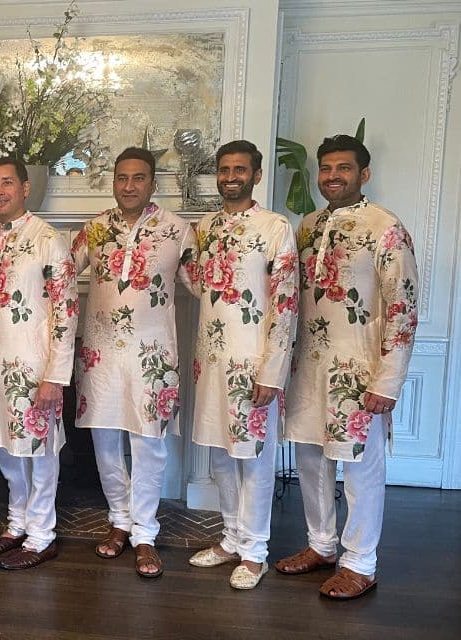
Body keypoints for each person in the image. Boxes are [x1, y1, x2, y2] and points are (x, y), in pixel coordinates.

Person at [276, 135, 418, 600]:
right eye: (326, 168)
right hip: (308, 368)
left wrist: (389, 379)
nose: (332, 176)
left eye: (344, 168)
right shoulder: (307, 226)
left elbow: (403, 306)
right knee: (311, 460)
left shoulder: (385, 227)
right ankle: (321, 545)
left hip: (359, 370)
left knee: (360, 468)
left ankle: (361, 562)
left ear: (364, 174)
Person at [71, 147, 196, 578]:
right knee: (105, 442)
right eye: (121, 178)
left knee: (149, 445)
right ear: (113, 182)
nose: (128, 186)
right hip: (100, 355)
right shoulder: (94, 228)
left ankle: (145, 533)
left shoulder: (178, 231)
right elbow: (61, 273)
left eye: (138, 178)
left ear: (152, 183)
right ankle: (119, 521)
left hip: (153, 356)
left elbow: (205, 289)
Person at [184, 140, 298, 589]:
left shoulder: (275, 227)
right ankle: (231, 538)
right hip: (210, 362)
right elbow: (195, 282)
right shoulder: (205, 228)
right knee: (219, 455)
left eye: (240, 169)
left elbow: (285, 303)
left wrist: (273, 371)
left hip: (254, 363)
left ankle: (255, 551)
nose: (231, 176)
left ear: (256, 174)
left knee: (254, 459)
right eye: (224, 169)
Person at [0, 156, 79, 570]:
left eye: (7, 183)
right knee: (4, 447)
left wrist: (56, 375)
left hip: (36, 367)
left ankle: (42, 533)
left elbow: (66, 311)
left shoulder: (49, 239)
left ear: (25, 187)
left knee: (39, 450)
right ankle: (16, 524)